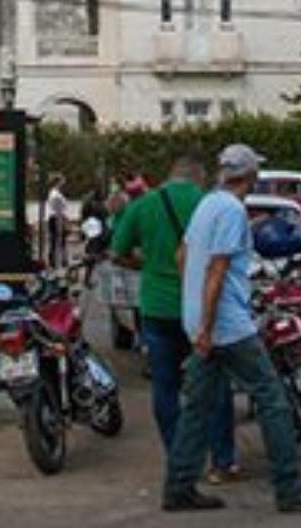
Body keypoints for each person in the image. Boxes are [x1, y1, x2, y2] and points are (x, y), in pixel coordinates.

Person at [161, 145, 301, 514]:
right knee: (272, 399)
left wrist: (194, 310)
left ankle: (178, 487)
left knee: (196, 406)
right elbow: (217, 269)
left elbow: (182, 255)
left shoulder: (207, 204)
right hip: (227, 326)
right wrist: (210, 325)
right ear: (250, 174)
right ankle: (288, 486)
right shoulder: (231, 210)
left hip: (199, 319)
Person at [110, 156, 242, 489]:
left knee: (165, 385)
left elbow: (118, 251)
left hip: (157, 308)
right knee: (214, 384)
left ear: (168, 177)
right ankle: (222, 461)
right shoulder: (209, 203)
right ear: (199, 179)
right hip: (201, 309)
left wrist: (145, 264)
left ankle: (179, 457)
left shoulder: (143, 205)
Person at [44, 174, 71, 267]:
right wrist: (62, 221)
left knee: (58, 240)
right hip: (57, 218)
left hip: (57, 218)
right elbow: (58, 209)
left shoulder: (55, 193)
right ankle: (57, 261)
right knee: (57, 240)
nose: (64, 182)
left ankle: (61, 260)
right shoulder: (55, 194)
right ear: (58, 182)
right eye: (62, 181)